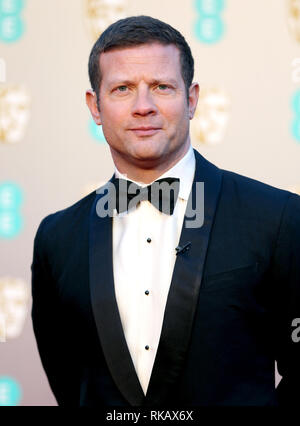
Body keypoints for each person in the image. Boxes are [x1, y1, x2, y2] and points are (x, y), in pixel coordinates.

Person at [31, 15, 300, 407]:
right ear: (95, 106)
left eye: (161, 86)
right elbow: (69, 381)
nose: (143, 107)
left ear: (191, 99)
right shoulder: (57, 239)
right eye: (122, 88)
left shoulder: (277, 218)